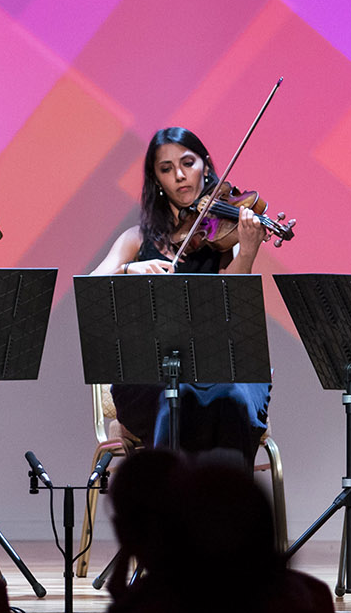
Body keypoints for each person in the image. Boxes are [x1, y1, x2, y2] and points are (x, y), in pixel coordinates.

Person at [88, 126, 270, 468]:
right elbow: (92, 286)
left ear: (206, 166)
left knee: (230, 397)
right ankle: (170, 496)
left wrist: (247, 250)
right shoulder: (136, 238)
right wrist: (128, 270)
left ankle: (226, 498)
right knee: (176, 398)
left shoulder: (221, 235)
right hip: (152, 371)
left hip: (219, 367)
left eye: (188, 163)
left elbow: (231, 300)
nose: (180, 176)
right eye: (167, 169)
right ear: (157, 180)